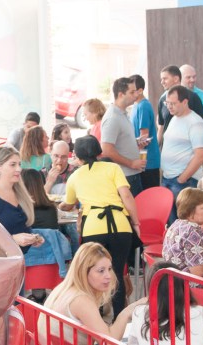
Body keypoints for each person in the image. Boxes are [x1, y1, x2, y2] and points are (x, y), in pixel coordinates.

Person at [58, 135, 141, 318]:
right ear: (99, 152)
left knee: (94, 274)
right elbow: (126, 196)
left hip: (93, 228)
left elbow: (69, 204)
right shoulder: (113, 168)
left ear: (77, 155)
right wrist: (135, 222)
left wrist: (60, 205)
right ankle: (120, 320)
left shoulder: (75, 176)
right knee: (116, 273)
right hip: (120, 226)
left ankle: (96, 316)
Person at [39, 243, 147, 345]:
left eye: (109, 269)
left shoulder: (63, 289)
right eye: (101, 271)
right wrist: (127, 312)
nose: (108, 276)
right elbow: (109, 341)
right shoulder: (81, 300)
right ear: (83, 272)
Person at [0, 147, 44, 254]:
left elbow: (19, 226)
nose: (19, 169)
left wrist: (31, 238)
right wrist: (13, 239)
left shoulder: (19, 192)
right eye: (13, 165)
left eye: (19, 164)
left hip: (17, 259)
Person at [127, 261, 203, 345]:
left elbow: (132, 343)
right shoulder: (202, 312)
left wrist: (125, 313)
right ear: (182, 286)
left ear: (151, 287)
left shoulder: (139, 312)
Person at [160, 85, 203, 225]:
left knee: (184, 224)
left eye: (173, 103)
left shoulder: (195, 123)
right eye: (167, 103)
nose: (169, 106)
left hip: (183, 181)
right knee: (172, 224)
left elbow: (201, 155)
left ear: (185, 102)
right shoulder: (174, 118)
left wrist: (182, 178)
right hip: (168, 178)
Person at [22, 169, 71, 287]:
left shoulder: (20, 210)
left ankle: (37, 294)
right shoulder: (52, 208)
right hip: (53, 265)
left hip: (27, 266)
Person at [162, 188, 203, 280]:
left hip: (175, 283)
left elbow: (186, 247)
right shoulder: (193, 230)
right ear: (190, 211)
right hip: (191, 287)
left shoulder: (177, 224)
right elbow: (198, 271)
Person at [101, 77, 145, 196]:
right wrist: (131, 163)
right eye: (132, 92)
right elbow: (107, 150)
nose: (136, 95)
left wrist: (136, 142)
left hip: (132, 174)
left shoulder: (123, 113)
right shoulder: (112, 118)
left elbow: (120, 140)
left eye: (136, 91)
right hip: (125, 176)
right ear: (121, 94)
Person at [156, 65, 203, 145]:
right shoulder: (162, 100)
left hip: (188, 149)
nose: (162, 82)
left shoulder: (193, 97)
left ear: (176, 79)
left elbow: (202, 125)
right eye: (161, 79)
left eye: (165, 79)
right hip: (167, 149)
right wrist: (156, 148)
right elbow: (161, 128)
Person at [129, 74, 160, 190]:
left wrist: (140, 163)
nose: (130, 94)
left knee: (149, 196)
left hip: (147, 164)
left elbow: (144, 138)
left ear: (140, 90)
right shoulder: (136, 106)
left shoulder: (143, 107)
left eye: (133, 91)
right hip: (142, 162)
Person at [180, 64, 203, 158]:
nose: (192, 80)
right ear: (180, 78)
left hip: (198, 141)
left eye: (194, 76)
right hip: (179, 142)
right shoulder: (171, 94)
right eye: (188, 77)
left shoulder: (202, 95)